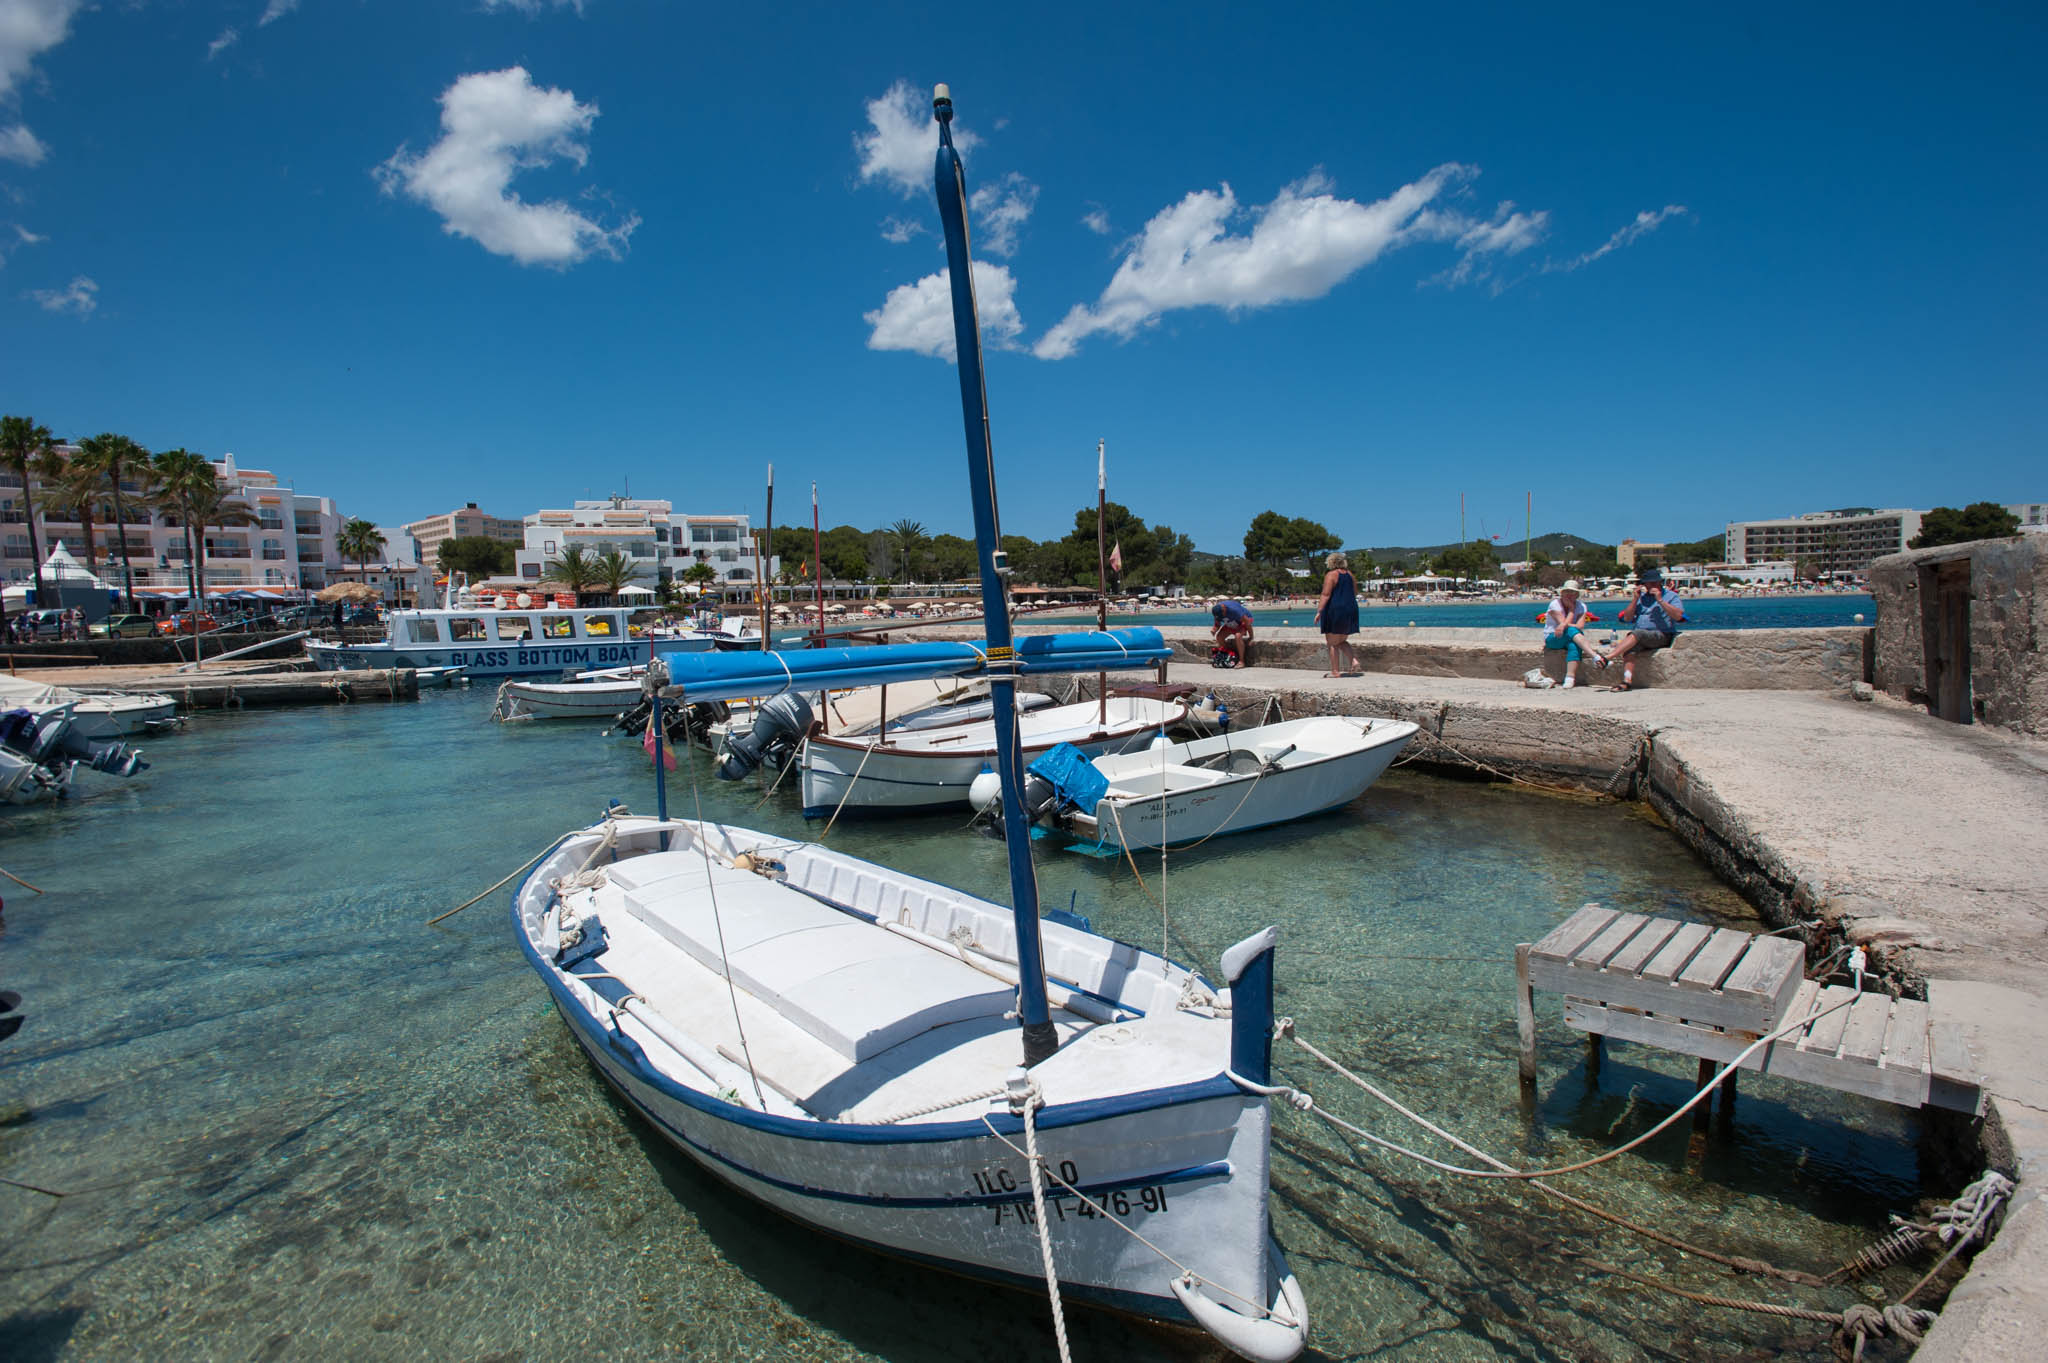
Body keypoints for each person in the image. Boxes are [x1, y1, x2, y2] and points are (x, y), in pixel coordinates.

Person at [1607, 566, 1685, 690]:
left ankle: (1608, 658)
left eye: (1654, 583)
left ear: (1660, 583)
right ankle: (1627, 681)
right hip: (1641, 636)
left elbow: (1678, 616)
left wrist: (1660, 600)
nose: (1651, 587)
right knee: (1630, 649)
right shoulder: (1642, 598)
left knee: (1637, 633)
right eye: (1648, 584)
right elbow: (1627, 618)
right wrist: (1635, 599)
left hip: (1662, 634)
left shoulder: (1671, 596)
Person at [1540, 579, 1605, 689]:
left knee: (1574, 644)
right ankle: (1594, 656)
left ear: (1577, 594)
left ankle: (1570, 677)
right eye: (1567, 592)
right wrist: (1571, 609)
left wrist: (1566, 624)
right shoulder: (1554, 604)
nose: (1569, 595)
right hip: (1553, 637)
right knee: (1571, 631)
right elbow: (1564, 624)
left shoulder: (1582, 606)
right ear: (1562, 593)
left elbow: (1579, 626)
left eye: (1573, 592)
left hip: (1570, 637)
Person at [1314, 551, 1360, 677]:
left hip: (1335, 609)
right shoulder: (1350, 575)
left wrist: (1319, 611)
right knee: (1341, 640)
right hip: (1350, 609)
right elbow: (1355, 591)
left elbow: (1325, 594)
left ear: (1331, 562)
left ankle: (1335, 671)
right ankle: (1353, 660)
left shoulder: (1331, 575)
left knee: (1332, 643)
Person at [1210, 599, 1254, 667]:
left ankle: (1242, 661)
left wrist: (1251, 637)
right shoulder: (1217, 612)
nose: (1222, 617)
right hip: (1231, 624)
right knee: (1219, 637)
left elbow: (1247, 622)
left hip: (1243, 622)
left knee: (1238, 636)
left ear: (1224, 609)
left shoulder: (1234, 609)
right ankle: (1232, 654)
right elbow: (1217, 624)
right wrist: (1214, 630)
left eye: (1223, 615)